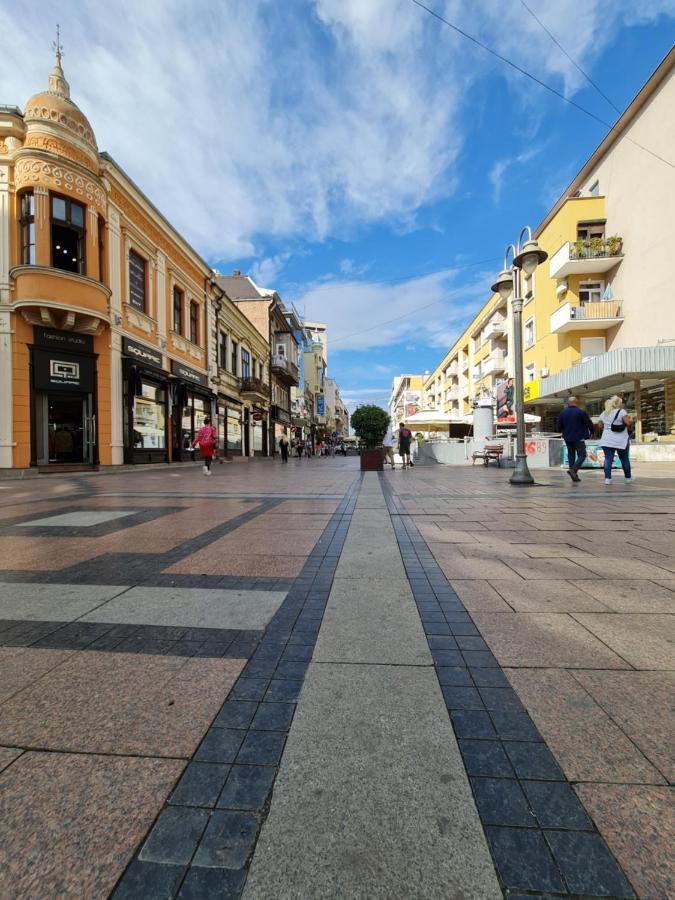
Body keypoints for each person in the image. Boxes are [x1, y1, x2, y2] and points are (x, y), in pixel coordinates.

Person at [557, 396, 594, 482]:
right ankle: (573, 470)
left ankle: (574, 475)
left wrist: (563, 431)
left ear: (568, 403)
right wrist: (592, 431)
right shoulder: (581, 412)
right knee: (582, 455)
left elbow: (559, 426)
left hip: (567, 437)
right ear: (576, 402)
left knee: (571, 455)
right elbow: (589, 423)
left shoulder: (563, 413)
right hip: (579, 437)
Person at [597, 395, 633, 484]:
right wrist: (631, 419)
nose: (621, 405)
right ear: (616, 404)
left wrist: (607, 426)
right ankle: (628, 478)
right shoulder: (622, 412)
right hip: (621, 440)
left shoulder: (604, 413)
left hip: (607, 439)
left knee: (608, 459)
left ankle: (607, 479)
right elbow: (628, 423)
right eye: (620, 403)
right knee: (624, 459)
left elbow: (599, 426)